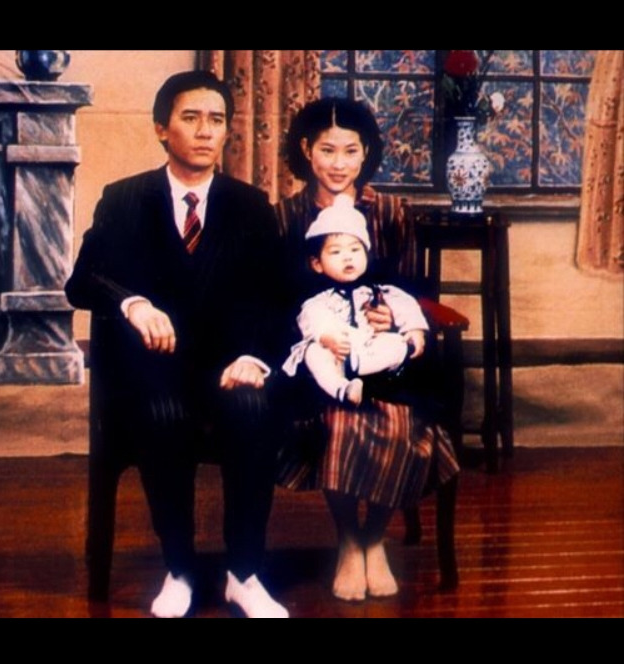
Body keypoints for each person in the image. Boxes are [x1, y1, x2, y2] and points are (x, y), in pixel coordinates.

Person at [65, 70, 288, 618]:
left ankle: (244, 574)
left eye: (217, 120)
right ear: (162, 129)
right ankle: (180, 569)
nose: (206, 131)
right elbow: (81, 282)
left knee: (252, 406)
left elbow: (277, 297)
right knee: (162, 415)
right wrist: (132, 303)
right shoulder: (124, 199)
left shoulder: (250, 206)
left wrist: (252, 357)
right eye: (191, 118)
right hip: (152, 373)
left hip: (227, 367)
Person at [275, 98, 460, 602]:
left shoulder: (390, 211)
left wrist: (393, 320)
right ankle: (348, 540)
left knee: (397, 422)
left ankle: (374, 536)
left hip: (387, 358)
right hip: (322, 359)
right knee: (339, 423)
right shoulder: (287, 215)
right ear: (306, 150)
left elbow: (412, 288)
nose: (339, 163)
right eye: (327, 150)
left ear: (366, 153)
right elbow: (278, 298)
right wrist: (320, 333)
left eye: (350, 151)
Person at [282, 194, 429, 406]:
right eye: (336, 252)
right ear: (317, 264)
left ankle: (363, 367)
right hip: (337, 353)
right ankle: (342, 389)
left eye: (355, 249)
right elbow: (313, 319)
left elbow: (405, 304)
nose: (348, 257)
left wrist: (414, 329)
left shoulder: (377, 290)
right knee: (313, 353)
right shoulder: (317, 299)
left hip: (370, 351)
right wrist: (328, 337)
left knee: (398, 343)